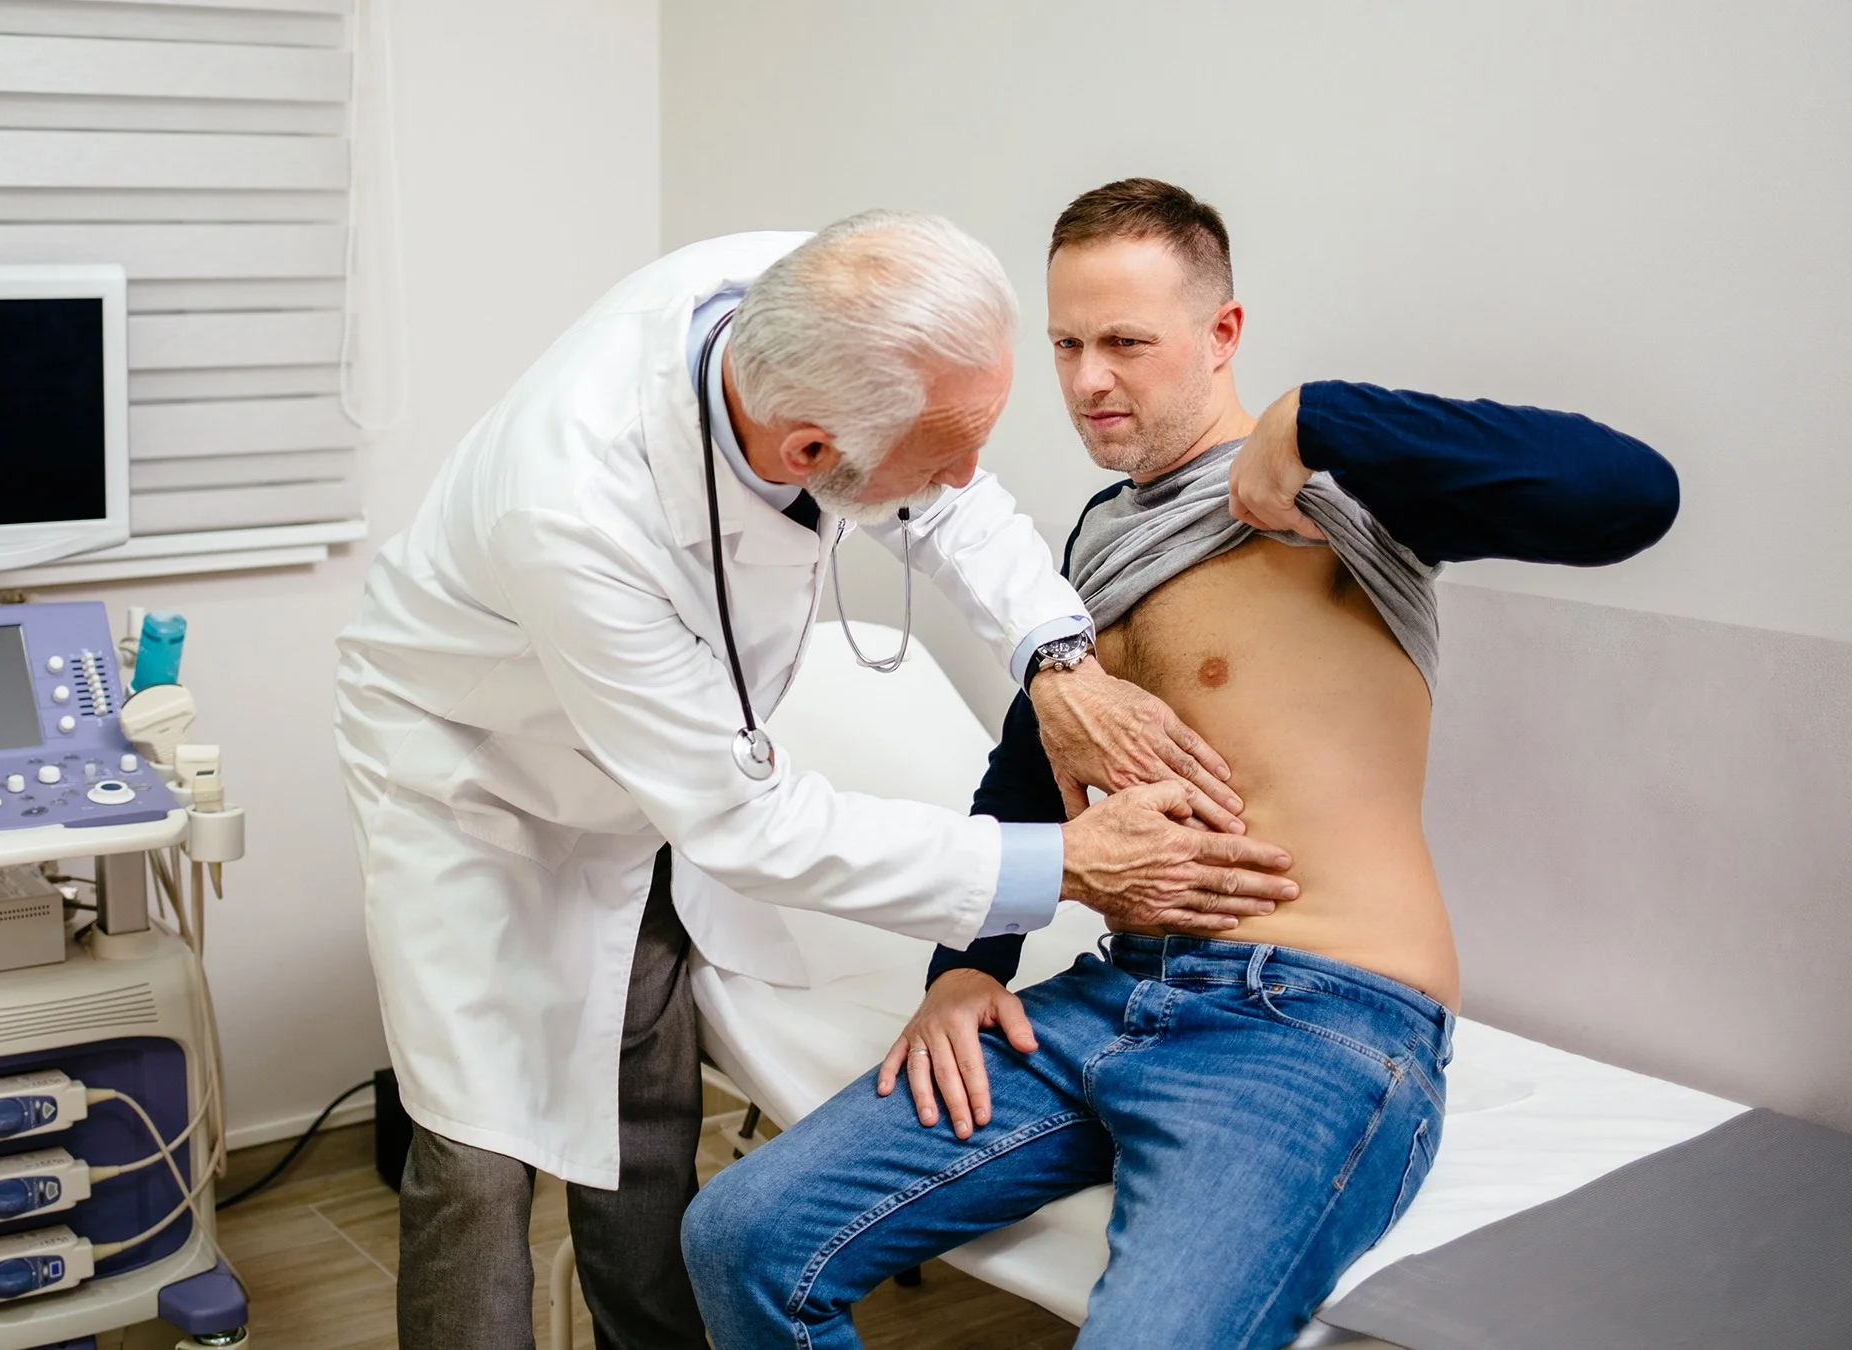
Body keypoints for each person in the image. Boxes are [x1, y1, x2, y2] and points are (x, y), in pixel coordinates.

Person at [681, 178, 1679, 1349]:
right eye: (1065, 343)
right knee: (742, 1237)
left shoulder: (1345, 493)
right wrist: (966, 967)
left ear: (1222, 336)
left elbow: (1634, 497)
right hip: (1108, 999)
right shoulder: (1098, 536)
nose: (1088, 380)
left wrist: (1319, 422)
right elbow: (1028, 769)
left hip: (1312, 1023)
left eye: (1126, 343)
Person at [334, 210, 1310, 1348]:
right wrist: (1070, 866)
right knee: (476, 1150)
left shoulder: (814, 294)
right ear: (810, 456)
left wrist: (1054, 657)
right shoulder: (572, 508)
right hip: (474, 766)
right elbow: (748, 823)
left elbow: (953, 504)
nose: (968, 476)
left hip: (653, 768)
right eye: (945, 458)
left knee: (643, 1098)